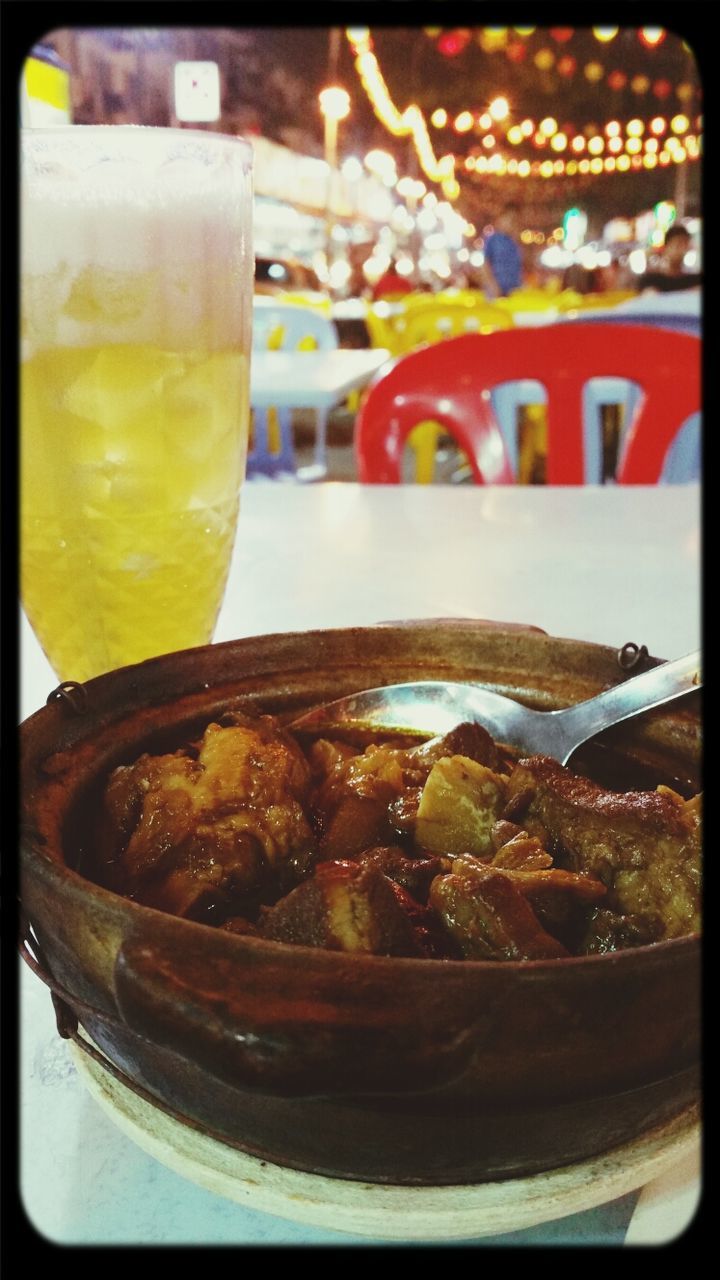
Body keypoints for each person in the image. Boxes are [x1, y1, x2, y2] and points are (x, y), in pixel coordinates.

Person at [639, 224, 702, 293]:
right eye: (678, 244)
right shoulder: (650, 281)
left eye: (685, 245)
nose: (682, 250)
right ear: (666, 247)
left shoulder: (694, 280)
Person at [480, 203, 524, 297]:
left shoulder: (514, 242)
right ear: (500, 219)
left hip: (514, 292)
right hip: (496, 292)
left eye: (515, 220)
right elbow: (485, 266)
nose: (512, 223)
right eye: (510, 219)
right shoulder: (493, 239)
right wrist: (493, 286)